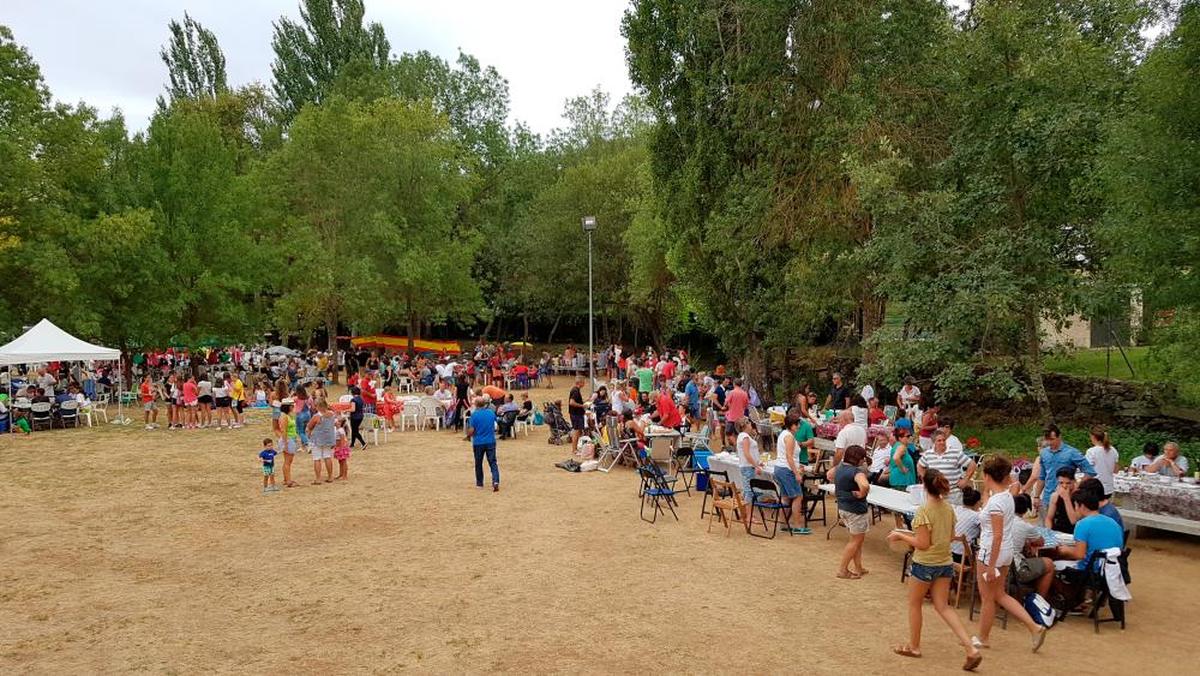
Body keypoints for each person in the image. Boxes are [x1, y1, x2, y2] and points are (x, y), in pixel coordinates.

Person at [888, 469, 982, 671]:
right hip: (945, 562)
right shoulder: (948, 508)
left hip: (925, 564)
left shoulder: (924, 511)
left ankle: (914, 646)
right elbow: (950, 537)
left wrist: (901, 535)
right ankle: (970, 648)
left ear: (923, 485)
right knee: (943, 607)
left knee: (914, 604)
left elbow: (922, 543)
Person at [973, 455, 1047, 652]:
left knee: (988, 597)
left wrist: (990, 566)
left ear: (988, 476)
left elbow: (996, 536)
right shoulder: (1007, 497)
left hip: (992, 552)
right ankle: (1033, 627)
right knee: (999, 594)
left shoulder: (998, 502)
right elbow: (1006, 488)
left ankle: (983, 637)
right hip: (1004, 551)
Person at [1023, 423, 1096, 511]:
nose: (1049, 442)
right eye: (1047, 440)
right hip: (1047, 498)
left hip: (1066, 499)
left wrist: (1077, 487)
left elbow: (1090, 471)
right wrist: (1036, 496)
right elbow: (1042, 477)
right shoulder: (1044, 453)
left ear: (1059, 437)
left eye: (1052, 439)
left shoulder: (1072, 452)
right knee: (1045, 523)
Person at [771, 415, 813, 535]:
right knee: (797, 496)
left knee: (785, 497)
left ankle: (783, 523)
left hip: (780, 468)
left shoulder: (783, 434)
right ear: (793, 425)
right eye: (797, 424)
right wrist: (796, 473)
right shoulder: (789, 437)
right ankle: (797, 525)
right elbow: (789, 457)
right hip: (786, 469)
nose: (799, 427)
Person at [835, 444, 871, 579]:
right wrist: (862, 493)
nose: (863, 461)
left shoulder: (840, 468)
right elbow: (865, 485)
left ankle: (858, 567)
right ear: (858, 459)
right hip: (856, 510)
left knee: (856, 540)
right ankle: (842, 570)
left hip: (843, 507)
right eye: (862, 458)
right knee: (855, 541)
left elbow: (829, 474)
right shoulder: (857, 472)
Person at [1011, 493, 1056, 599]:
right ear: (1026, 510)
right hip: (1015, 569)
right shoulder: (1025, 526)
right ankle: (1039, 601)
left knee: (1030, 557)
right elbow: (1040, 542)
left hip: (997, 565)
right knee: (1049, 564)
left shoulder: (1000, 520)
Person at [918, 430, 976, 505]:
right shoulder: (928, 454)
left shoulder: (955, 452)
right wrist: (926, 480)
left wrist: (965, 479)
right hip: (936, 494)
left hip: (953, 494)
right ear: (934, 442)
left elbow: (972, 464)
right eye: (939, 440)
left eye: (944, 440)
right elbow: (920, 466)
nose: (942, 442)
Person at [465, 396, 500, 491]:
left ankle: (479, 483)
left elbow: (471, 430)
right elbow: (497, 427)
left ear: (476, 405)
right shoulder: (491, 413)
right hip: (490, 441)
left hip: (478, 442)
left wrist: (468, 435)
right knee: (493, 462)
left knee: (478, 463)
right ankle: (496, 480)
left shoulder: (474, 415)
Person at [734, 417, 763, 527]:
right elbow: (747, 453)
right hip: (748, 467)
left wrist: (757, 462)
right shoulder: (745, 437)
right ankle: (749, 516)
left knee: (747, 491)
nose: (751, 425)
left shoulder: (744, 437)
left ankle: (747, 514)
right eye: (749, 423)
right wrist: (756, 465)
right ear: (745, 425)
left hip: (746, 466)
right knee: (749, 491)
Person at [826, 409, 867, 481]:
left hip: (846, 465)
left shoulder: (844, 432)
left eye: (839, 419)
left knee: (830, 476)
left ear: (844, 419)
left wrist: (834, 467)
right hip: (858, 464)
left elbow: (839, 452)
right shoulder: (862, 430)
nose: (839, 422)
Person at [306, 399, 337, 484]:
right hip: (328, 439)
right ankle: (330, 476)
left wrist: (308, 434)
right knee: (327, 457)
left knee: (317, 458)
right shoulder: (332, 414)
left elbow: (309, 426)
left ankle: (318, 478)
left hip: (317, 439)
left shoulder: (317, 416)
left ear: (318, 407)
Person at [1085, 425, 1119, 498]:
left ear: (1093, 437)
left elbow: (1089, 472)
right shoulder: (1113, 450)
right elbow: (1116, 470)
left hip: (1095, 488)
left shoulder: (1091, 451)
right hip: (1109, 488)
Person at [951, 487, 982, 563]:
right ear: (977, 502)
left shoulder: (956, 509)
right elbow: (984, 533)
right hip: (964, 557)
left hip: (950, 552)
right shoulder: (977, 516)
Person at [1043, 467, 1079, 533]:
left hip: (1075, 531)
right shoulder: (1055, 496)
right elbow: (1049, 518)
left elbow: (1074, 521)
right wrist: (1049, 531)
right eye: (1061, 483)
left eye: (1068, 483)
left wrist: (1066, 498)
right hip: (1058, 530)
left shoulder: (1080, 496)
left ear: (1074, 481)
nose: (1064, 486)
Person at [277, 401, 298, 488]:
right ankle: (288, 480)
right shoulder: (284, 416)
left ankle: (287, 479)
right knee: (288, 461)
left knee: (288, 461)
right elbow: (283, 430)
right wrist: (285, 443)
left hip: (290, 438)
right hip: (288, 439)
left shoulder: (288, 415)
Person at [723, 378, 750, 443]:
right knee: (738, 433)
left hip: (732, 417)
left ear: (734, 384)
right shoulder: (744, 393)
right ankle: (738, 445)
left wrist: (725, 406)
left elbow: (726, 403)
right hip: (740, 417)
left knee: (728, 433)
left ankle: (736, 445)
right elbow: (746, 406)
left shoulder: (732, 392)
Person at [568, 377, 587, 452]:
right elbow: (572, 402)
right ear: (580, 383)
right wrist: (582, 406)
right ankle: (574, 449)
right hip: (576, 414)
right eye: (584, 382)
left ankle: (575, 448)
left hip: (576, 413)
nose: (584, 384)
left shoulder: (576, 390)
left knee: (578, 431)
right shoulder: (575, 391)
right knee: (576, 431)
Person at [348, 386, 367, 451]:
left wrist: (346, 410)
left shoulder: (353, 400)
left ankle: (363, 443)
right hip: (360, 416)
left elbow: (353, 409)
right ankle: (352, 444)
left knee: (355, 431)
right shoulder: (361, 399)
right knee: (354, 430)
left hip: (354, 417)